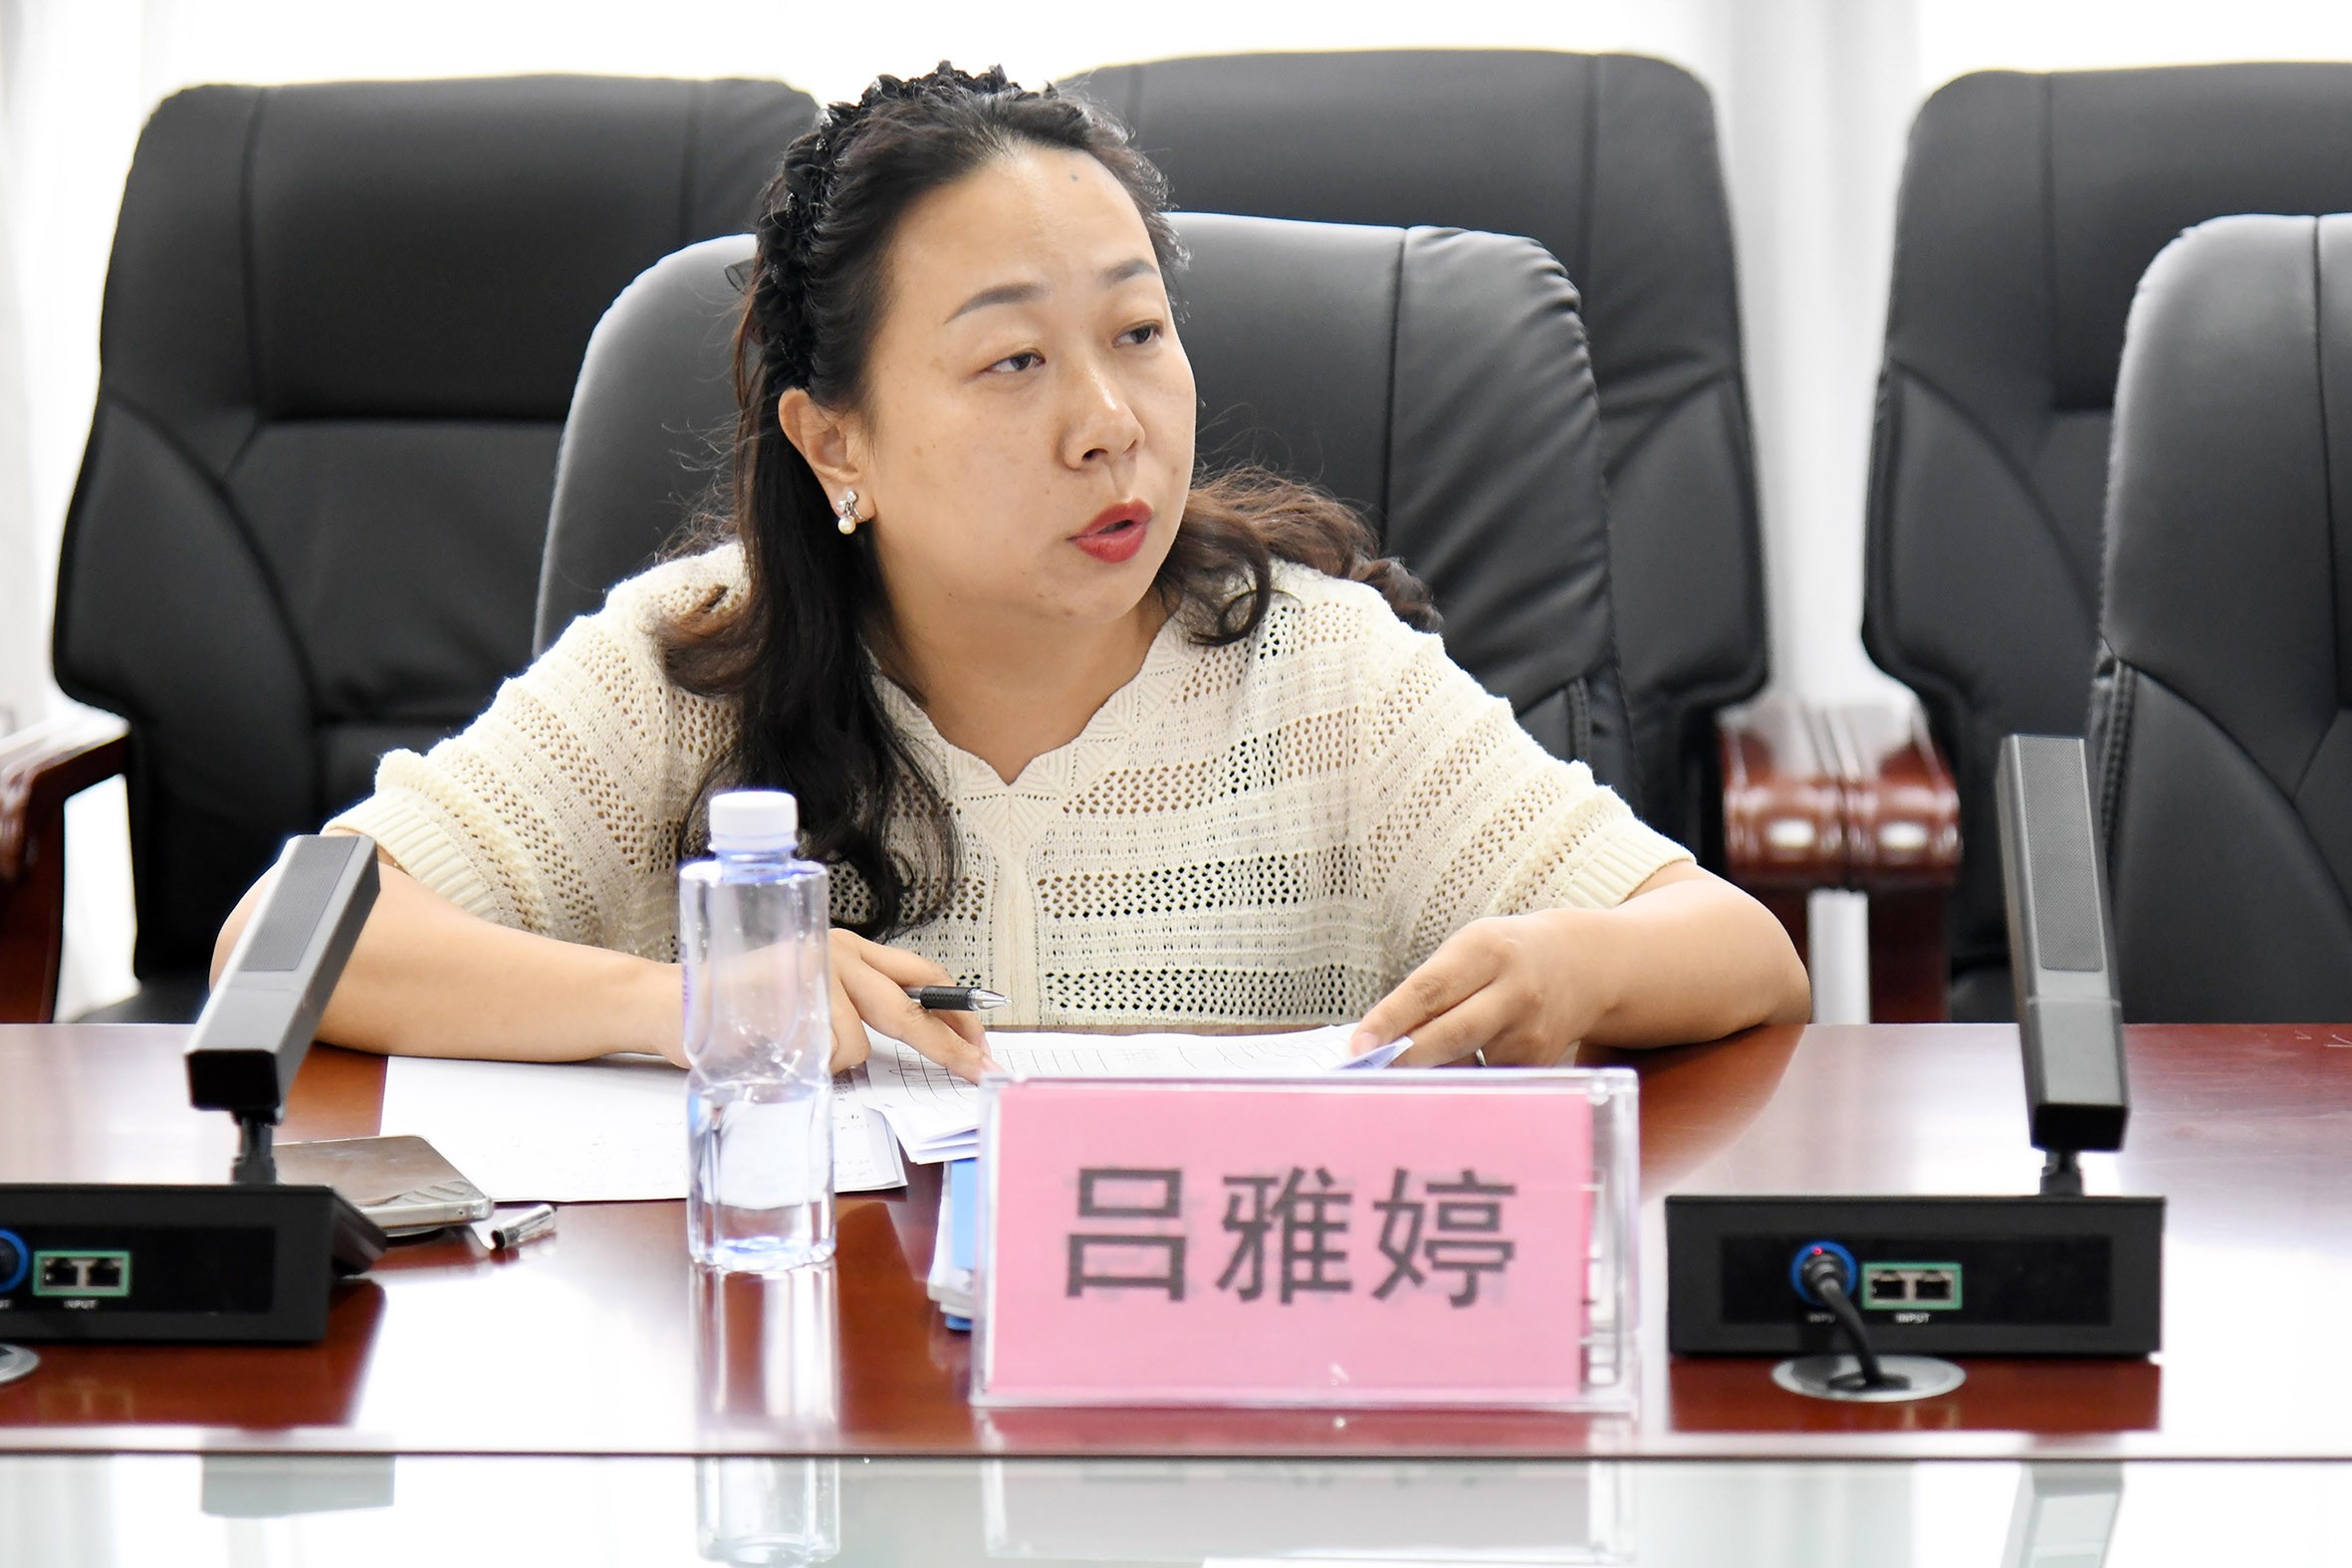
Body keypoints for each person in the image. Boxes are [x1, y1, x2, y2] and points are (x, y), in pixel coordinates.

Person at [211, 64, 1808, 1081]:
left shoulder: (1323, 674)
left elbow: (1741, 952)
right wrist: (698, 1000)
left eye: (1138, 334)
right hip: (821, 1388)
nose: (1109, 424)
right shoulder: (693, 659)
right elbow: (285, 938)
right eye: (1013, 364)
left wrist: (1567, 961)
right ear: (835, 440)